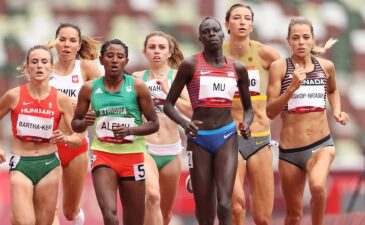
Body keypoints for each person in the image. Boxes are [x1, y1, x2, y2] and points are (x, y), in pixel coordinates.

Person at [164, 17, 254, 225]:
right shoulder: (190, 65)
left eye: (215, 30)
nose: (212, 34)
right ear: (200, 38)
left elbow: (249, 109)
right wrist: (185, 123)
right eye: (206, 32)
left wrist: (246, 124)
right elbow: (169, 105)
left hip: (226, 137)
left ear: (223, 35)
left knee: (224, 204)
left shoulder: (238, 69)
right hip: (199, 141)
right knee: (205, 212)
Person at [266, 17, 349, 225]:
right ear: (288, 41)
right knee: (293, 216)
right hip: (290, 152)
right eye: (296, 38)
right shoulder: (280, 68)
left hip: (321, 145)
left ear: (313, 40)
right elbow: (270, 111)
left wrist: (337, 110)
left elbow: (333, 89)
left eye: (305, 37)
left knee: (318, 186)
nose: (301, 42)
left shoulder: (326, 67)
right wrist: (292, 87)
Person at [71, 39, 159, 225]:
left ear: (125, 62)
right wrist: (84, 122)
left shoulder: (137, 86)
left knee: (134, 221)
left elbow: (153, 123)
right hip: (103, 156)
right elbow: (75, 124)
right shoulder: (89, 88)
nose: (114, 60)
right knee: (110, 216)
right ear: (102, 60)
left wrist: (130, 130)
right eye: (110, 56)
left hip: (132, 157)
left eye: (120, 57)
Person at [0, 45, 82, 225]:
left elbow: (78, 138)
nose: (39, 66)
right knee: (24, 222)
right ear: (26, 68)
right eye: (34, 62)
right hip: (22, 163)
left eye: (44, 62)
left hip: (49, 165)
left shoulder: (61, 99)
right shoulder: (13, 96)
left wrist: (66, 138)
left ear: (51, 67)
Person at [223, 4, 280, 225]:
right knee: (237, 206)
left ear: (252, 25)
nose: (242, 22)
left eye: (247, 18)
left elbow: (283, 90)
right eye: (236, 18)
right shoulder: (217, 56)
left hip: (260, 139)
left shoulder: (266, 54)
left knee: (263, 218)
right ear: (227, 24)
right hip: (229, 138)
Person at [133, 31, 191, 225]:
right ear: (145, 52)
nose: (156, 51)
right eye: (152, 47)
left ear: (169, 52)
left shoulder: (178, 77)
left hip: (171, 150)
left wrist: (168, 92)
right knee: (152, 196)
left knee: (165, 214)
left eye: (161, 47)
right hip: (145, 148)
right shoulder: (136, 78)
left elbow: (192, 111)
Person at [48, 23, 102, 225]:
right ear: (55, 42)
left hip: (76, 144)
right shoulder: (45, 67)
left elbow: (104, 106)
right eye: (62, 39)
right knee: (49, 208)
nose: (66, 45)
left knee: (70, 212)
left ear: (79, 45)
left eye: (72, 41)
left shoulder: (87, 69)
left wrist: (80, 107)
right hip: (49, 144)